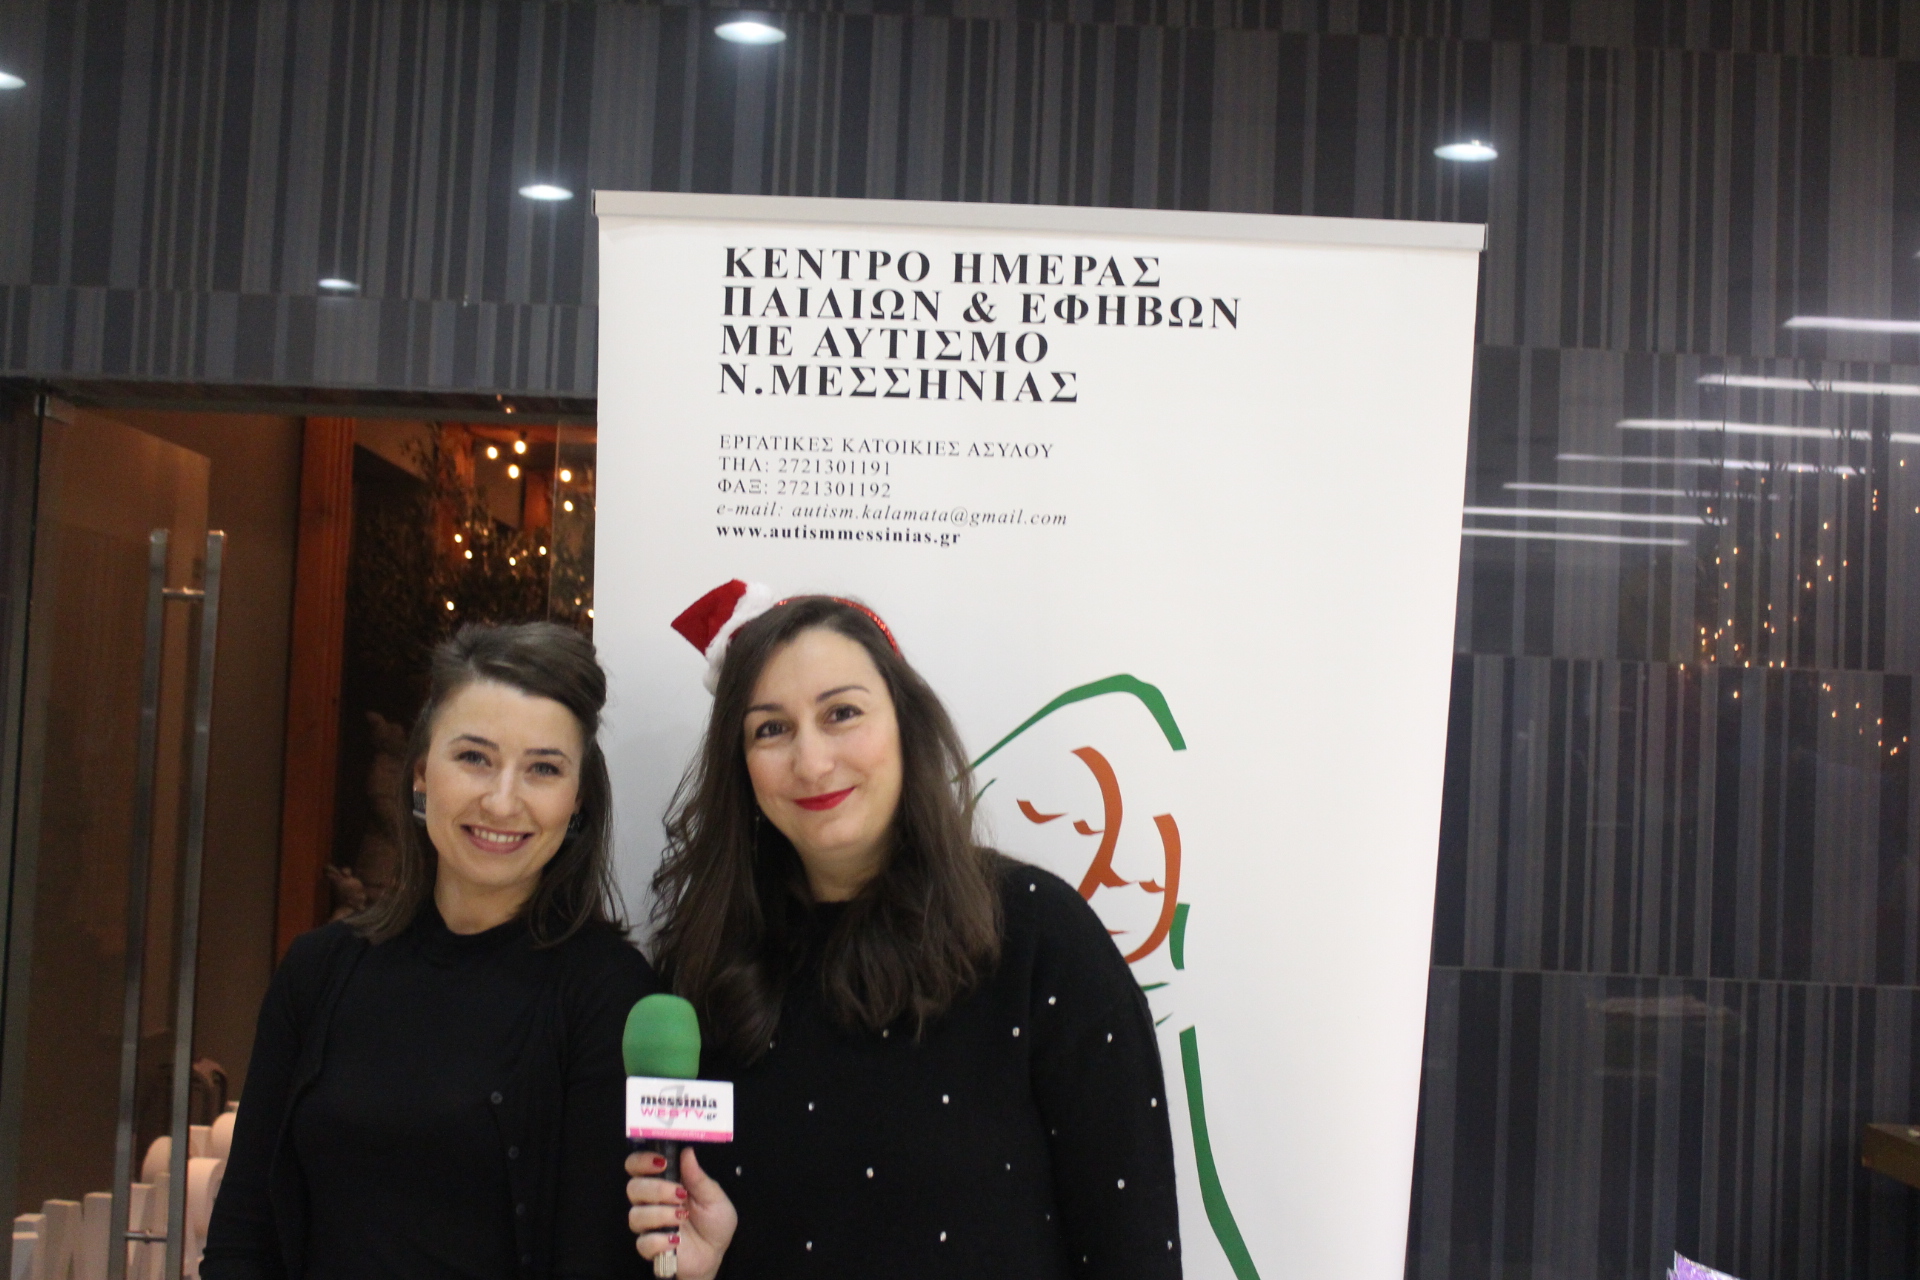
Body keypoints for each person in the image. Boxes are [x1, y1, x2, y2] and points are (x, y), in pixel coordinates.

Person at [636, 591, 1181, 1278]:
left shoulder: (1039, 938)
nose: (811, 761)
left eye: (842, 713)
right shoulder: (706, 966)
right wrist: (697, 1269)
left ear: (906, 723)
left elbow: (1133, 1250)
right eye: (770, 729)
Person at [204, 622, 726, 1280]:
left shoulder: (610, 994)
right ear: (421, 775)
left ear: (577, 802)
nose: (502, 802)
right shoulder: (317, 971)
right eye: (475, 757)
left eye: (543, 769)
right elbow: (244, 1236)